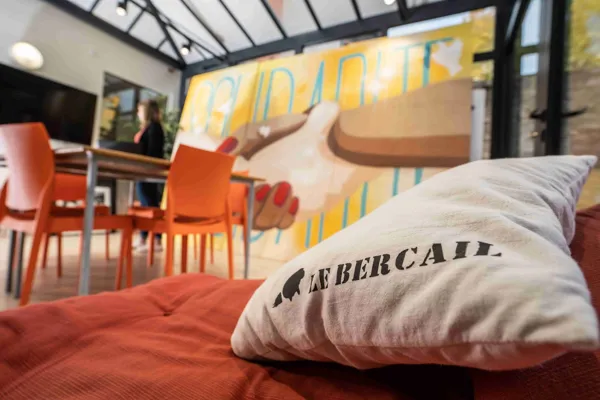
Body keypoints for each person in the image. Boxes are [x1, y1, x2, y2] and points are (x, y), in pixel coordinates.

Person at [134, 99, 165, 252]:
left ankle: (149, 239)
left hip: (147, 171)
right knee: (149, 203)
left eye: (139, 110)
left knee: (148, 204)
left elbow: (152, 152)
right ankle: (151, 239)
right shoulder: (151, 128)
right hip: (146, 171)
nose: (137, 113)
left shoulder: (154, 128)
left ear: (146, 111)